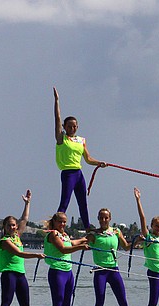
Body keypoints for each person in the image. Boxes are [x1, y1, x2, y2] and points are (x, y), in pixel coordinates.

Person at [0, 190, 46, 306]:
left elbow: (25, 218)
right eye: (9, 226)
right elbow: (19, 253)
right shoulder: (5, 242)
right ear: (4, 227)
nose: (13, 228)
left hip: (20, 275)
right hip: (9, 274)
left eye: (14, 225)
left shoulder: (17, 236)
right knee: (6, 303)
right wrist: (36, 255)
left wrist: (27, 203)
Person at [54, 87, 106, 230]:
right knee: (65, 201)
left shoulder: (81, 140)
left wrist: (100, 163)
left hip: (79, 174)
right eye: (69, 126)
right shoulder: (61, 139)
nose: (72, 128)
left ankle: (87, 227)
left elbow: (88, 159)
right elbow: (57, 119)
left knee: (82, 202)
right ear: (65, 127)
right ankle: (56, 226)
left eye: (74, 126)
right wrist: (57, 101)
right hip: (68, 173)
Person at [86, 208, 136, 306]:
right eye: (101, 218)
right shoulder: (94, 234)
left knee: (123, 301)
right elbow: (83, 243)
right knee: (100, 300)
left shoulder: (116, 231)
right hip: (100, 271)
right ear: (98, 219)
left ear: (110, 218)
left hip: (114, 270)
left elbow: (126, 247)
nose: (103, 220)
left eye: (106, 218)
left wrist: (137, 241)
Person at [43, 211, 88, 306]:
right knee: (58, 303)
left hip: (68, 272)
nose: (62, 224)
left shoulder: (64, 234)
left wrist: (84, 239)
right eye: (60, 221)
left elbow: (71, 243)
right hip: (57, 272)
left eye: (64, 222)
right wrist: (81, 247)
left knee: (67, 304)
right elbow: (63, 249)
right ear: (54, 222)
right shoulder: (53, 234)